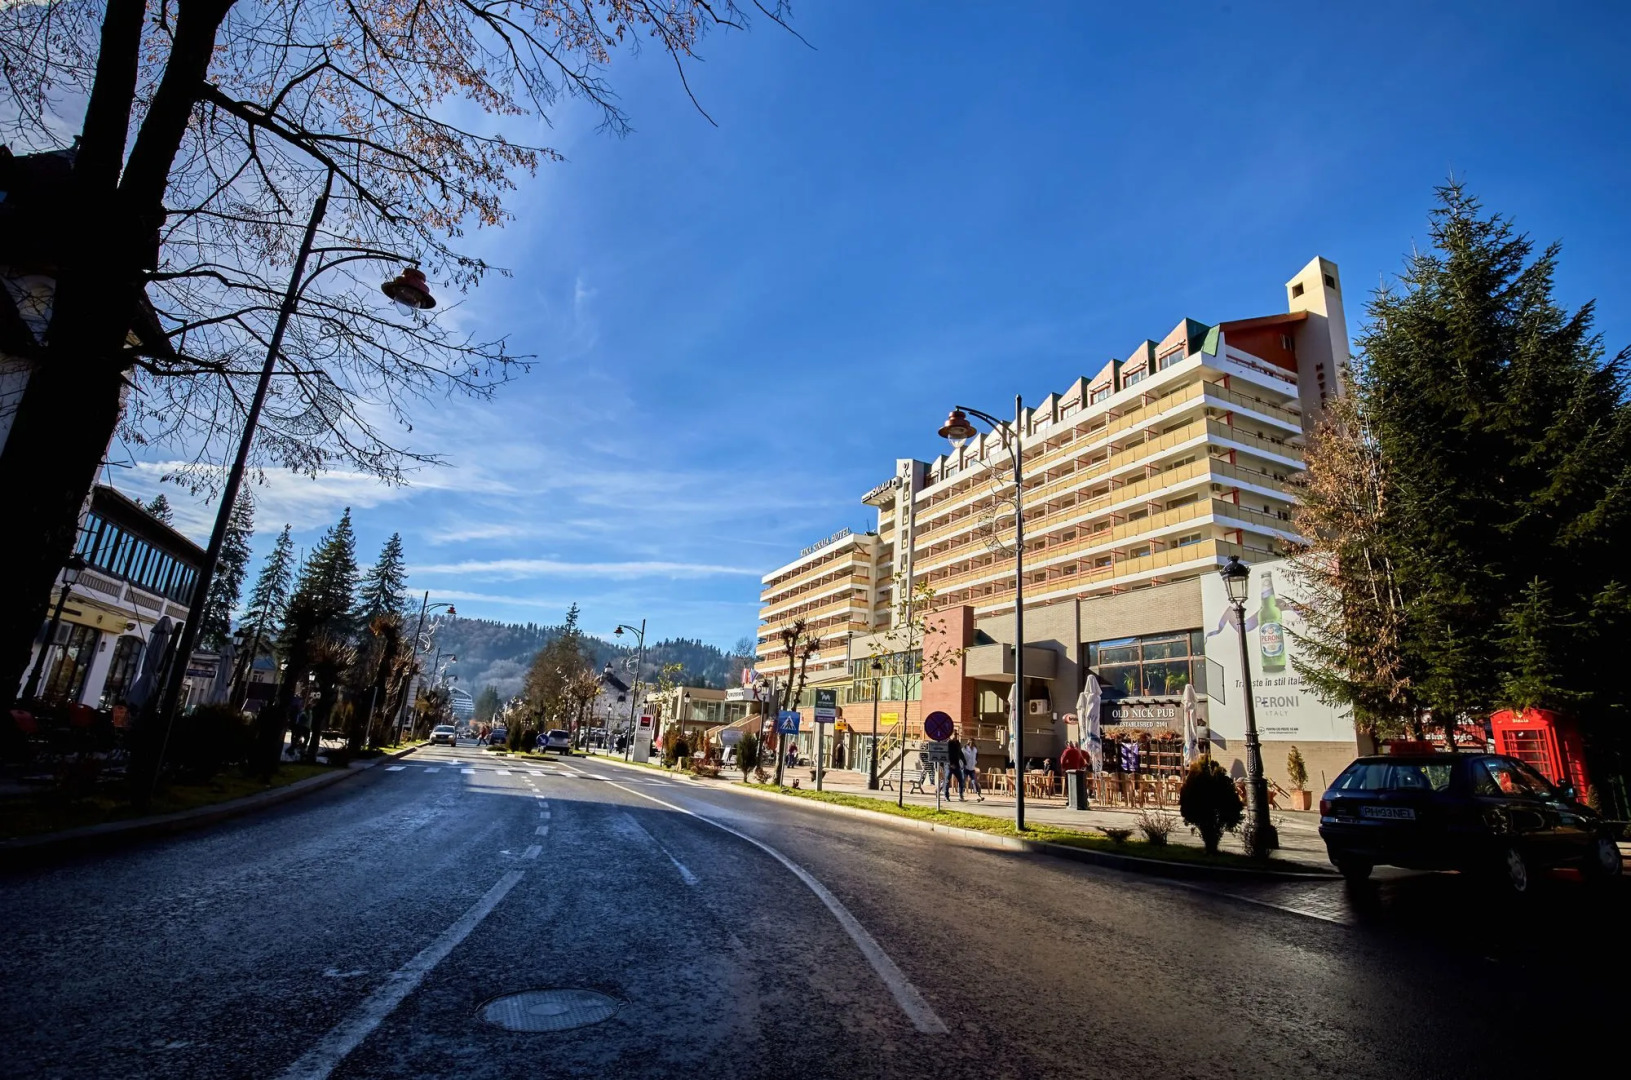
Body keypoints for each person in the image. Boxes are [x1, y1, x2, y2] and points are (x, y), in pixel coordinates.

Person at [941, 731, 966, 800]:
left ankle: (961, 795)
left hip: (956, 765)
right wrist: (950, 764)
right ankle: (946, 796)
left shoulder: (958, 743)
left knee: (961, 780)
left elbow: (960, 753)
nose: (955, 736)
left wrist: (964, 762)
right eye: (954, 735)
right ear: (951, 735)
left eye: (956, 734)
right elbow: (946, 755)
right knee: (947, 781)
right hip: (949, 765)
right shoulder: (948, 743)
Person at [962, 738, 983, 802]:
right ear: (968, 742)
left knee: (974, 781)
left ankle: (978, 795)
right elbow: (961, 757)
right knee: (963, 781)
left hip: (971, 768)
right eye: (970, 742)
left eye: (973, 743)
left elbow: (976, 757)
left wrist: (975, 762)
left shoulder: (975, 749)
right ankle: (961, 795)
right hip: (965, 768)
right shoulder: (964, 748)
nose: (972, 744)